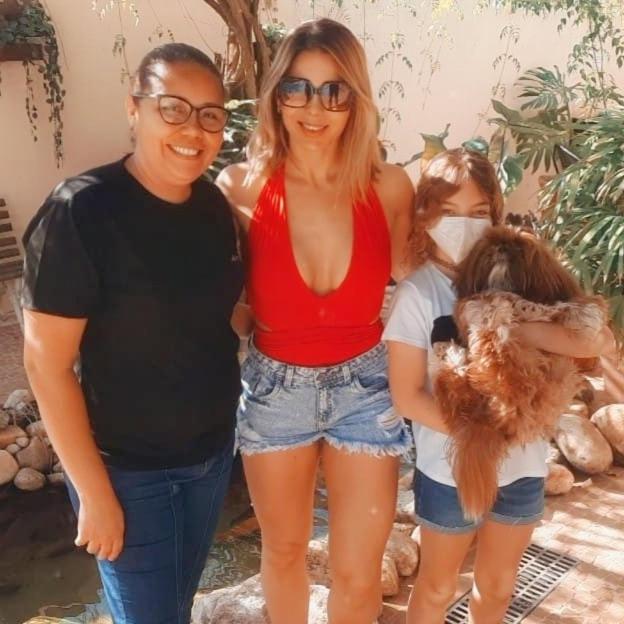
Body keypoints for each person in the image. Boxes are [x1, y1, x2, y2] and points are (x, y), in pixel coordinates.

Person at [21, 43, 244, 624]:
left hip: (210, 456)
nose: (193, 130)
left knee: (175, 607)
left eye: (210, 115)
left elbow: (216, 318)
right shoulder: (80, 212)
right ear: (134, 108)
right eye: (173, 108)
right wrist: (93, 493)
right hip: (127, 472)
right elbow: (46, 365)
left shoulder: (213, 209)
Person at [217, 18, 414, 624]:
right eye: (297, 88)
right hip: (275, 387)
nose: (314, 108)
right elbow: (223, 299)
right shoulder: (240, 188)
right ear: (276, 94)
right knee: (283, 552)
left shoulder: (390, 187)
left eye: (334, 91)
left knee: (359, 571)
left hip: (367, 387)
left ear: (356, 100)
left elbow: (423, 280)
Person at [382, 147, 615, 624]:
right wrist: (485, 434)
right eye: (449, 211)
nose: (463, 225)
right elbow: (407, 396)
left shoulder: (524, 274)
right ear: (425, 215)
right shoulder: (418, 293)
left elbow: (598, 339)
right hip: (450, 469)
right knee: (437, 587)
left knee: (499, 586)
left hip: (523, 467)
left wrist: (507, 325)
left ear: (495, 213)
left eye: (477, 212)